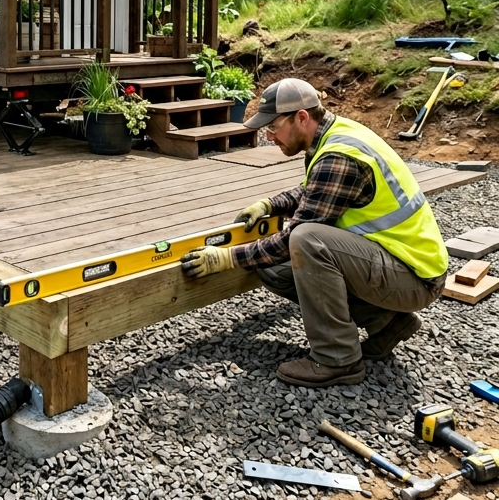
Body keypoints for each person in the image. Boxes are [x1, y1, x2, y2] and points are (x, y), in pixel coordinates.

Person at [180, 78, 449, 388]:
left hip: (415, 278)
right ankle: (389, 323)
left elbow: (293, 236)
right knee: (273, 269)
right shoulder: (334, 134)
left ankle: (337, 359)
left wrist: (226, 258)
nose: (269, 136)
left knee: (307, 239)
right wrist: (270, 204)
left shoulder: (340, 156)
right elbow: (315, 190)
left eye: (274, 127)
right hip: (394, 263)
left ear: (302, 117)